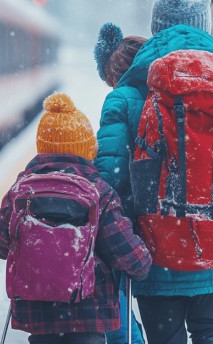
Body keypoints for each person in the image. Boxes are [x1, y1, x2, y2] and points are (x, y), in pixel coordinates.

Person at [95, 0, 213, 344]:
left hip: (153, 249)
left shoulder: (126, 94)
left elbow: (108, 177)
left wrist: (115, 236)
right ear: (203, 24)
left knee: (165, 337)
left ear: (155, 25)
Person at [0, 92, 153, 344]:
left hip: (38, 317)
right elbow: (131, 258)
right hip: (89, 318)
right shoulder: (99, 190)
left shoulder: (22, 189)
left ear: (41, 146)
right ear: (87, 148)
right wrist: (143, 259)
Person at [93, 23, 148, 344]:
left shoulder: (120, 100)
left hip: (131, 218)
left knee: (115, 303)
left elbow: (110, 173)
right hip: (177, 218)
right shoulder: (171, 93)